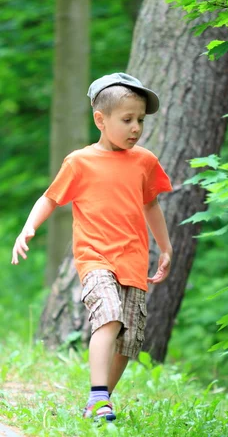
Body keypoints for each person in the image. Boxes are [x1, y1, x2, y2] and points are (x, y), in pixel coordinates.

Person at [11, 72, 173, 422]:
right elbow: (50, 198)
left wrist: (166, 248)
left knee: (128, 341)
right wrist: (28, 227)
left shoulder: (144, 161)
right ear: (101, 119)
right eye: (127, 120)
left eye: (140, 120)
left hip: (133, 260)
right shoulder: (80, 162)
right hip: (95, 257)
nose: (136, 128)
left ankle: (100, 402)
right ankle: (99, 397)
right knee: (109, 314)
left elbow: (151, 206)